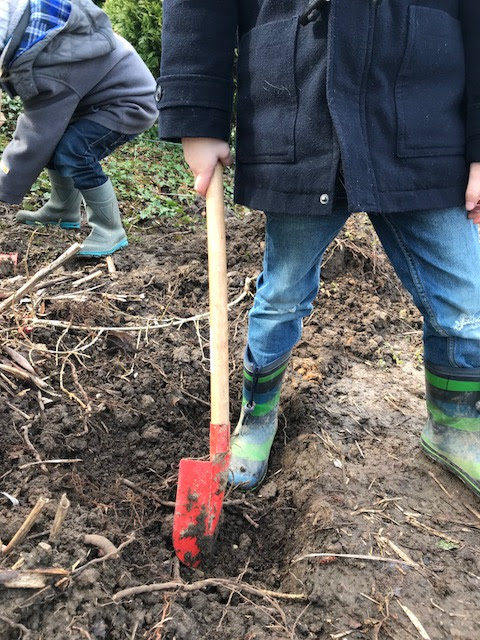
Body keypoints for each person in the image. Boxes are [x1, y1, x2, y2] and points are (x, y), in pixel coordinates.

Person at [157, 0, 480, 495]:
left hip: (423, 123)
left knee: (465, 296)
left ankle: (454, 425)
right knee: (283, 290)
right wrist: (197, 115)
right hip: (300, 117)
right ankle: (257, 419)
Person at [0, 0, 158, 257]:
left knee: (75, 150)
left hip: (129, 102)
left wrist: (4, 180)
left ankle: (109, 229)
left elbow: (37, 132)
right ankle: (63, 208)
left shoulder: (48, 64)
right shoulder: (36, 37)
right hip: (95, 99)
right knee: (57, 142)